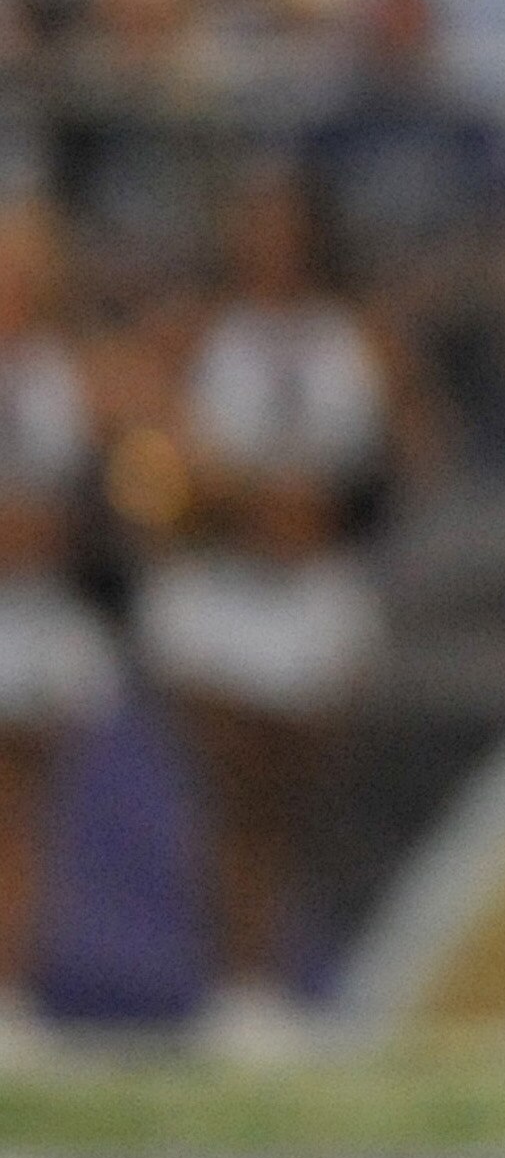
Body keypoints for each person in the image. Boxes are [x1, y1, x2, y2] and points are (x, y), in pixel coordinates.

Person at [137, 171, 398, 1060]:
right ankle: (234, 981)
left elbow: (408, 451)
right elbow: (147, 459)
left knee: (302, 799)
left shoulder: (354, 335)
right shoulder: (199, 330)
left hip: (317, 590)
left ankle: (291, 976)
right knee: (233, 795)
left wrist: (332, 512)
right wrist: (228, 502)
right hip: (222, 591)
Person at [0, 203, 111, 1058]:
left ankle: (11, 985)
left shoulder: (70, 371)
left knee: (24, 811)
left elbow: (110, 496)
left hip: (36, 613)